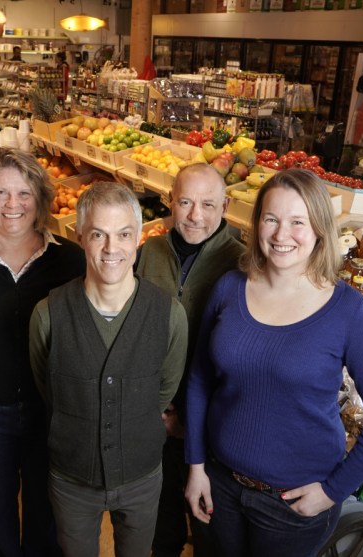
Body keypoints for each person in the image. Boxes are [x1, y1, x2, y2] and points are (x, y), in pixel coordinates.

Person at [184, 168, 363, 557]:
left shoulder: (348, 313)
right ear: (257, 226)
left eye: (297, 222)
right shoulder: (229, 288)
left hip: (291, 504)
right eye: (271, 219)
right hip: (219, 484)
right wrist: (196, 465)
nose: (281, 234)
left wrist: (333, 490)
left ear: (320, 229)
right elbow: (201, 381)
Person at [29, 182, 189, 557]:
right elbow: (47, 386)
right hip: (71, 477)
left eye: (123, 234)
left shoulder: (169, 315)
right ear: (81, 237)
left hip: (142, 474)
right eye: (98, 234)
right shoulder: (48, 314)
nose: (111, 248)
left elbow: (163, 389)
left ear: (139, 239)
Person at [0, 147, 85, 557]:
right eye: (1, 193)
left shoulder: (71, 259)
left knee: (47, 515)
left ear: (41, 200)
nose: (13, 205)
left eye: (24, 193)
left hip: (51, 412)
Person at [136, 162, 244, 557]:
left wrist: (192, 419)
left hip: (210, 426)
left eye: (208, 204)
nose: (195, 216)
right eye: (185, 202)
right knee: (159, 521)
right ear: (169, 201)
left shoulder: (242, 264)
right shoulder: (149, 251)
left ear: (225, 205)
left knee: (207, 526)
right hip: (154, 416)